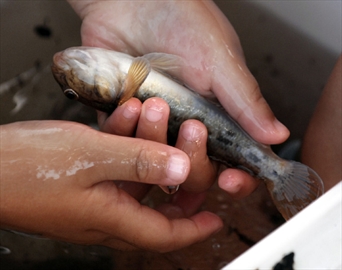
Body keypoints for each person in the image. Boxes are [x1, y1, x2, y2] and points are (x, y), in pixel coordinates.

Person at [1, 0, 293, 252]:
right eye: (71, 91)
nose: (67, 77)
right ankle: (275, 172)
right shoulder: (127, 83)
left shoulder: (127, 83)